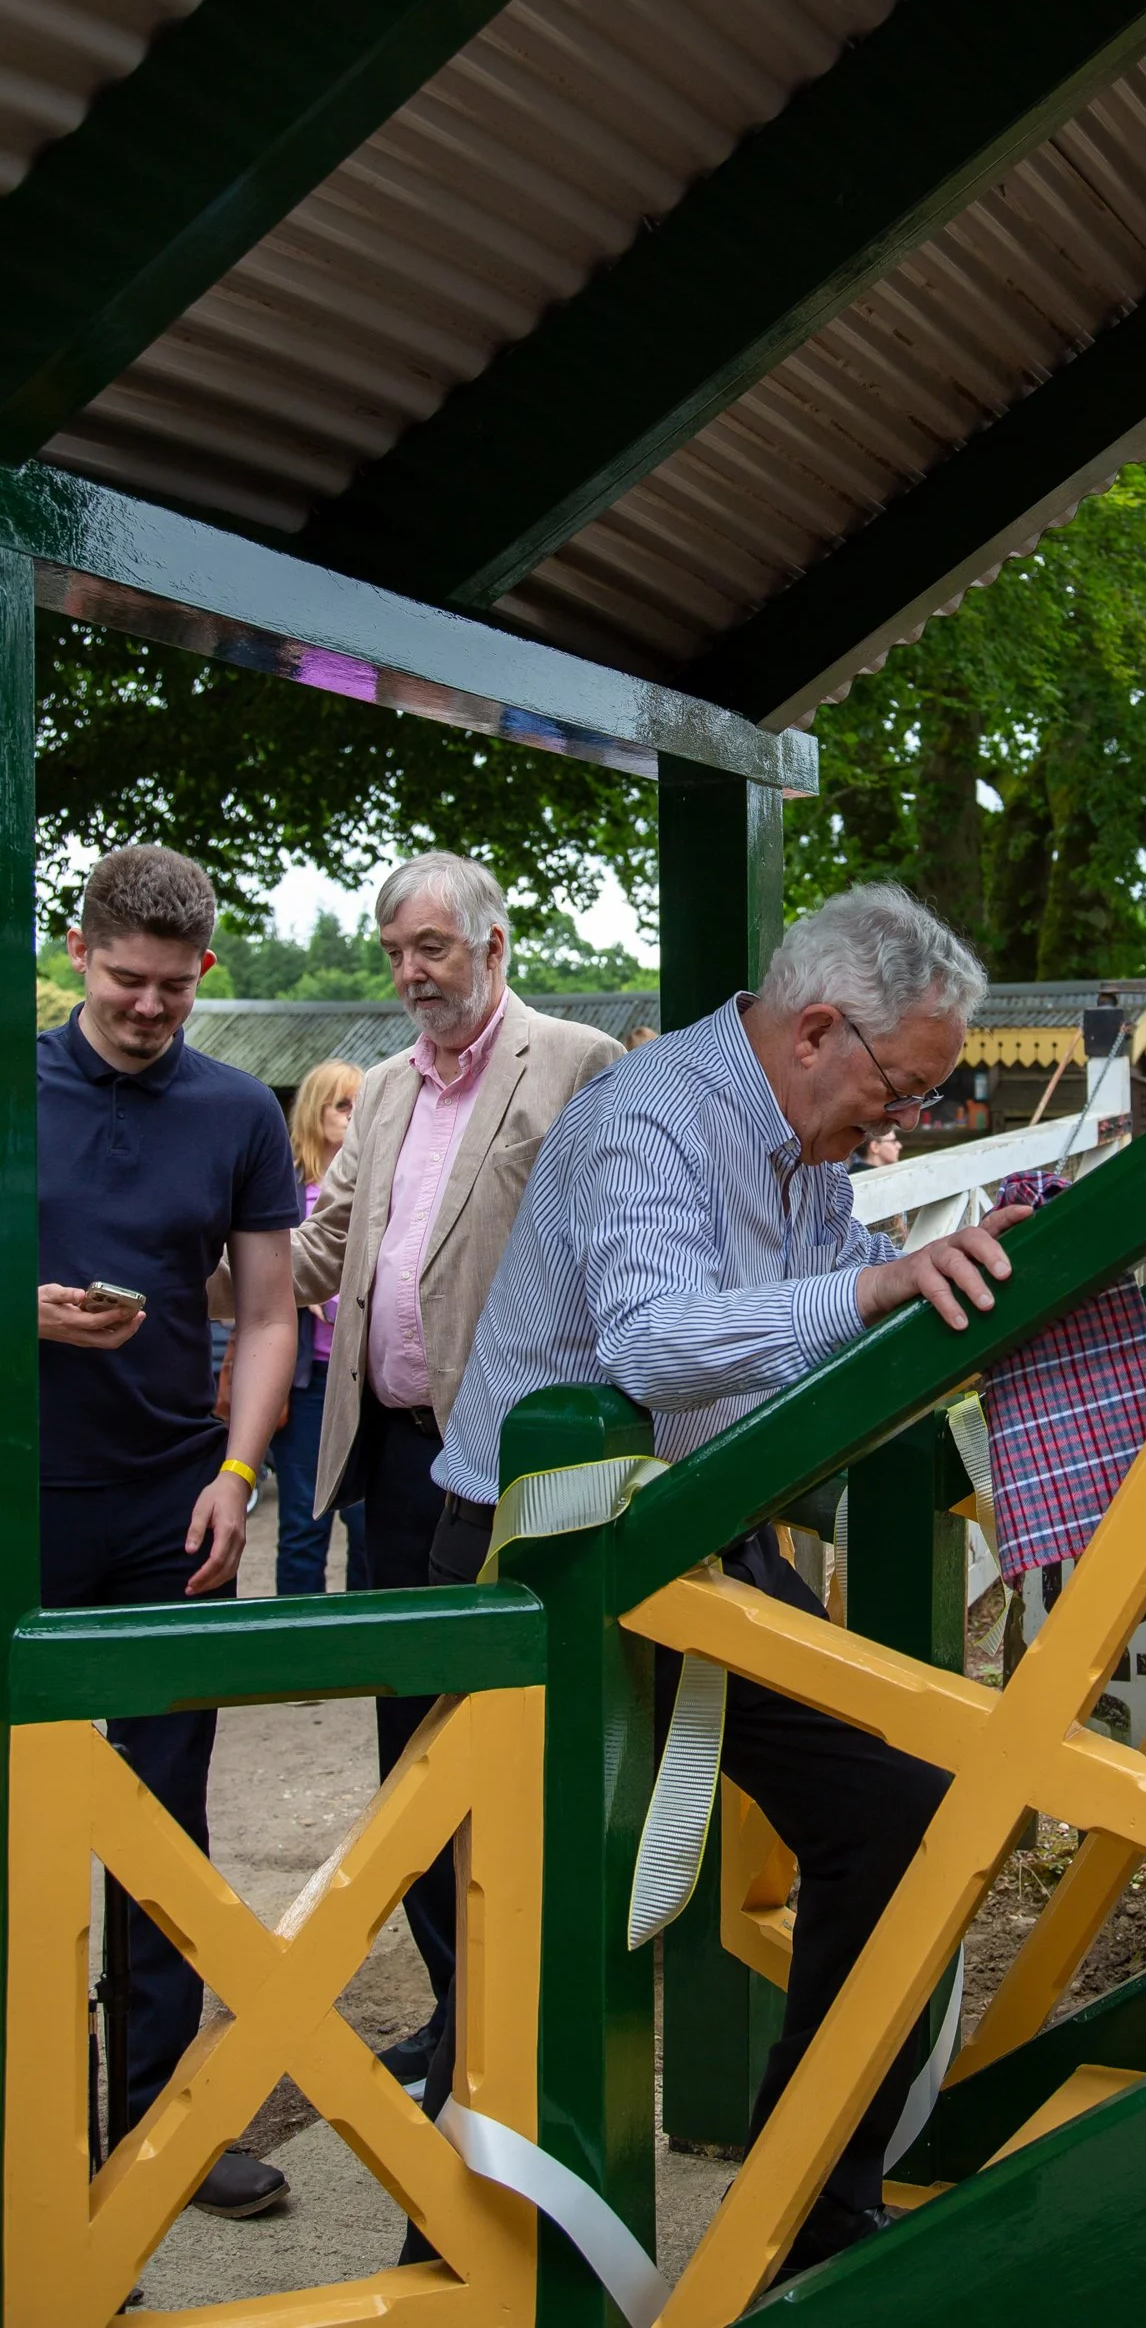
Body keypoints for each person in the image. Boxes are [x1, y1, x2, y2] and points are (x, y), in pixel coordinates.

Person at [432, 884, 1028, 2277]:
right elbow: (657, 1348)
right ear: (817, 1029)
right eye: (899, 1090)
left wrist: (939, 1304)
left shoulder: (805, 1134)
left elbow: (811, 1335)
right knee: (507, 1934)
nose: (894, 1127)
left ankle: (809, 2208)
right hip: (536, 1561)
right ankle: (459, 2264)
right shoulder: (648, 1117)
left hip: (689, 1536)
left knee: (891, 1810)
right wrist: (881, 1292)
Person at [213, 852, 620, 2083]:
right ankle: (454, 2013)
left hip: (509, 1468)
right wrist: (190, 1288)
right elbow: (322, 1246)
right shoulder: (382, 1088)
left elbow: (619, 1253)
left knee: (502, 1736)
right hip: (386, 1462)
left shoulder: (577, 1066)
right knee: (408, 1748)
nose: (407, 975)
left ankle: (515, 2016)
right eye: (394, 952)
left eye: (429, 949)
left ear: (493, 946)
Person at [38, 847, 298, 2218]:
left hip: (167, 1506)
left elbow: (266, 1316)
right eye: (130, 983)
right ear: (80, 952)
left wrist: (241, 1473)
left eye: (177, 991)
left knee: (163, 1824)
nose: (150, 1010)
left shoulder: (239, 1110)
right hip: (23, 1501)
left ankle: (150, 2141)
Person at [269, 1060, 367, 1596]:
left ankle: (363, 1644)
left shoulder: (382, 1181)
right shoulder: (282, 1186)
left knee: (369, 1524)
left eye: (361, 1106)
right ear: (315, 1113)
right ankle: (296, 1650)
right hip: (307, 1382)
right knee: (303, 1524)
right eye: (342, 1106)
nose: (354, 1118)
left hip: (365, 1381)